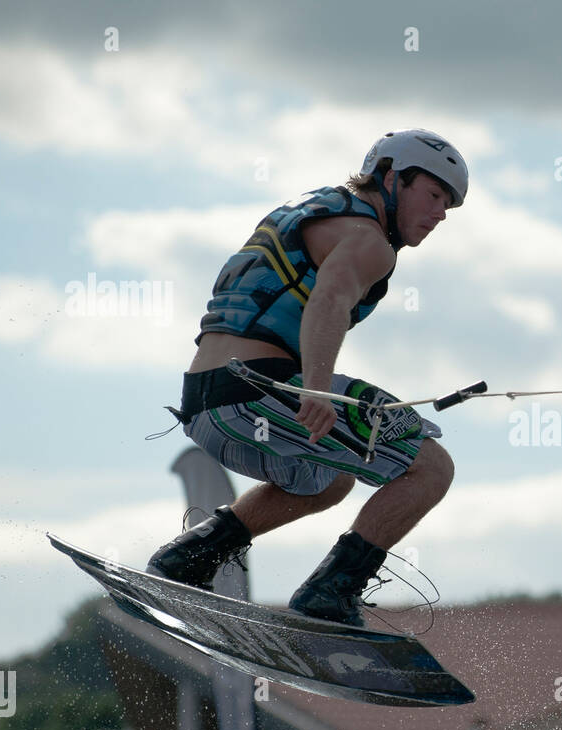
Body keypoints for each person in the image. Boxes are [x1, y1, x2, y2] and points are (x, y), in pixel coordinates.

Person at [146, 129, 468, 627]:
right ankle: (331, 593)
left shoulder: (319, 209)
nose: (440, 214)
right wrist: (316, 388)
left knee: (329, 477)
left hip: (207, 404)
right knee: (430, 468)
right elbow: (331, 301)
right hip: (259, 392)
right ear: (391, 177)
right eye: (432, 195)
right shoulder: (369, 241)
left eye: (447, 205)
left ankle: (190, 557)